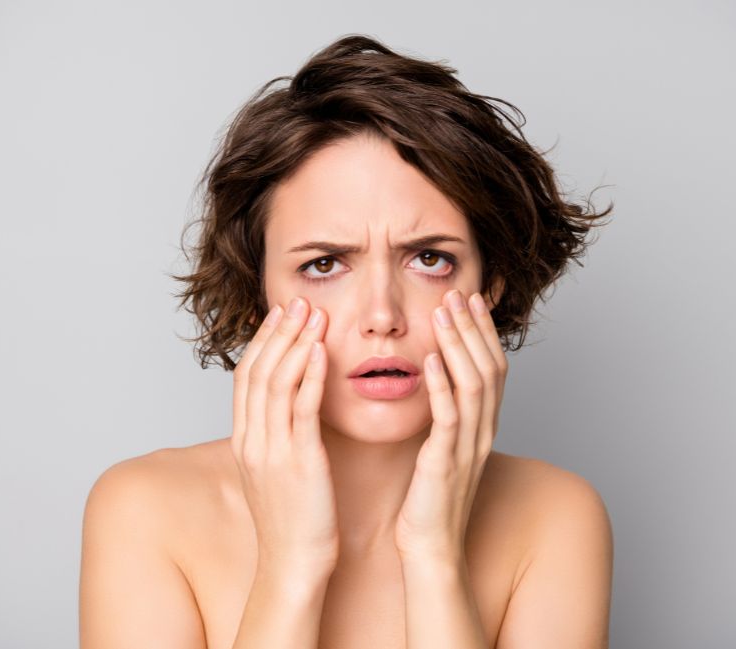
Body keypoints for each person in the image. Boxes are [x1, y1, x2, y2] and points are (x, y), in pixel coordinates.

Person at [79, 34, 614, 649]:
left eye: (431, 259)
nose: (381, 316)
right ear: (259, 295)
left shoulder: (555, 518)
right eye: (325, 265)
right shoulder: (145, 512)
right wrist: (291, 567)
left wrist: (435, 556)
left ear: (490, 284)